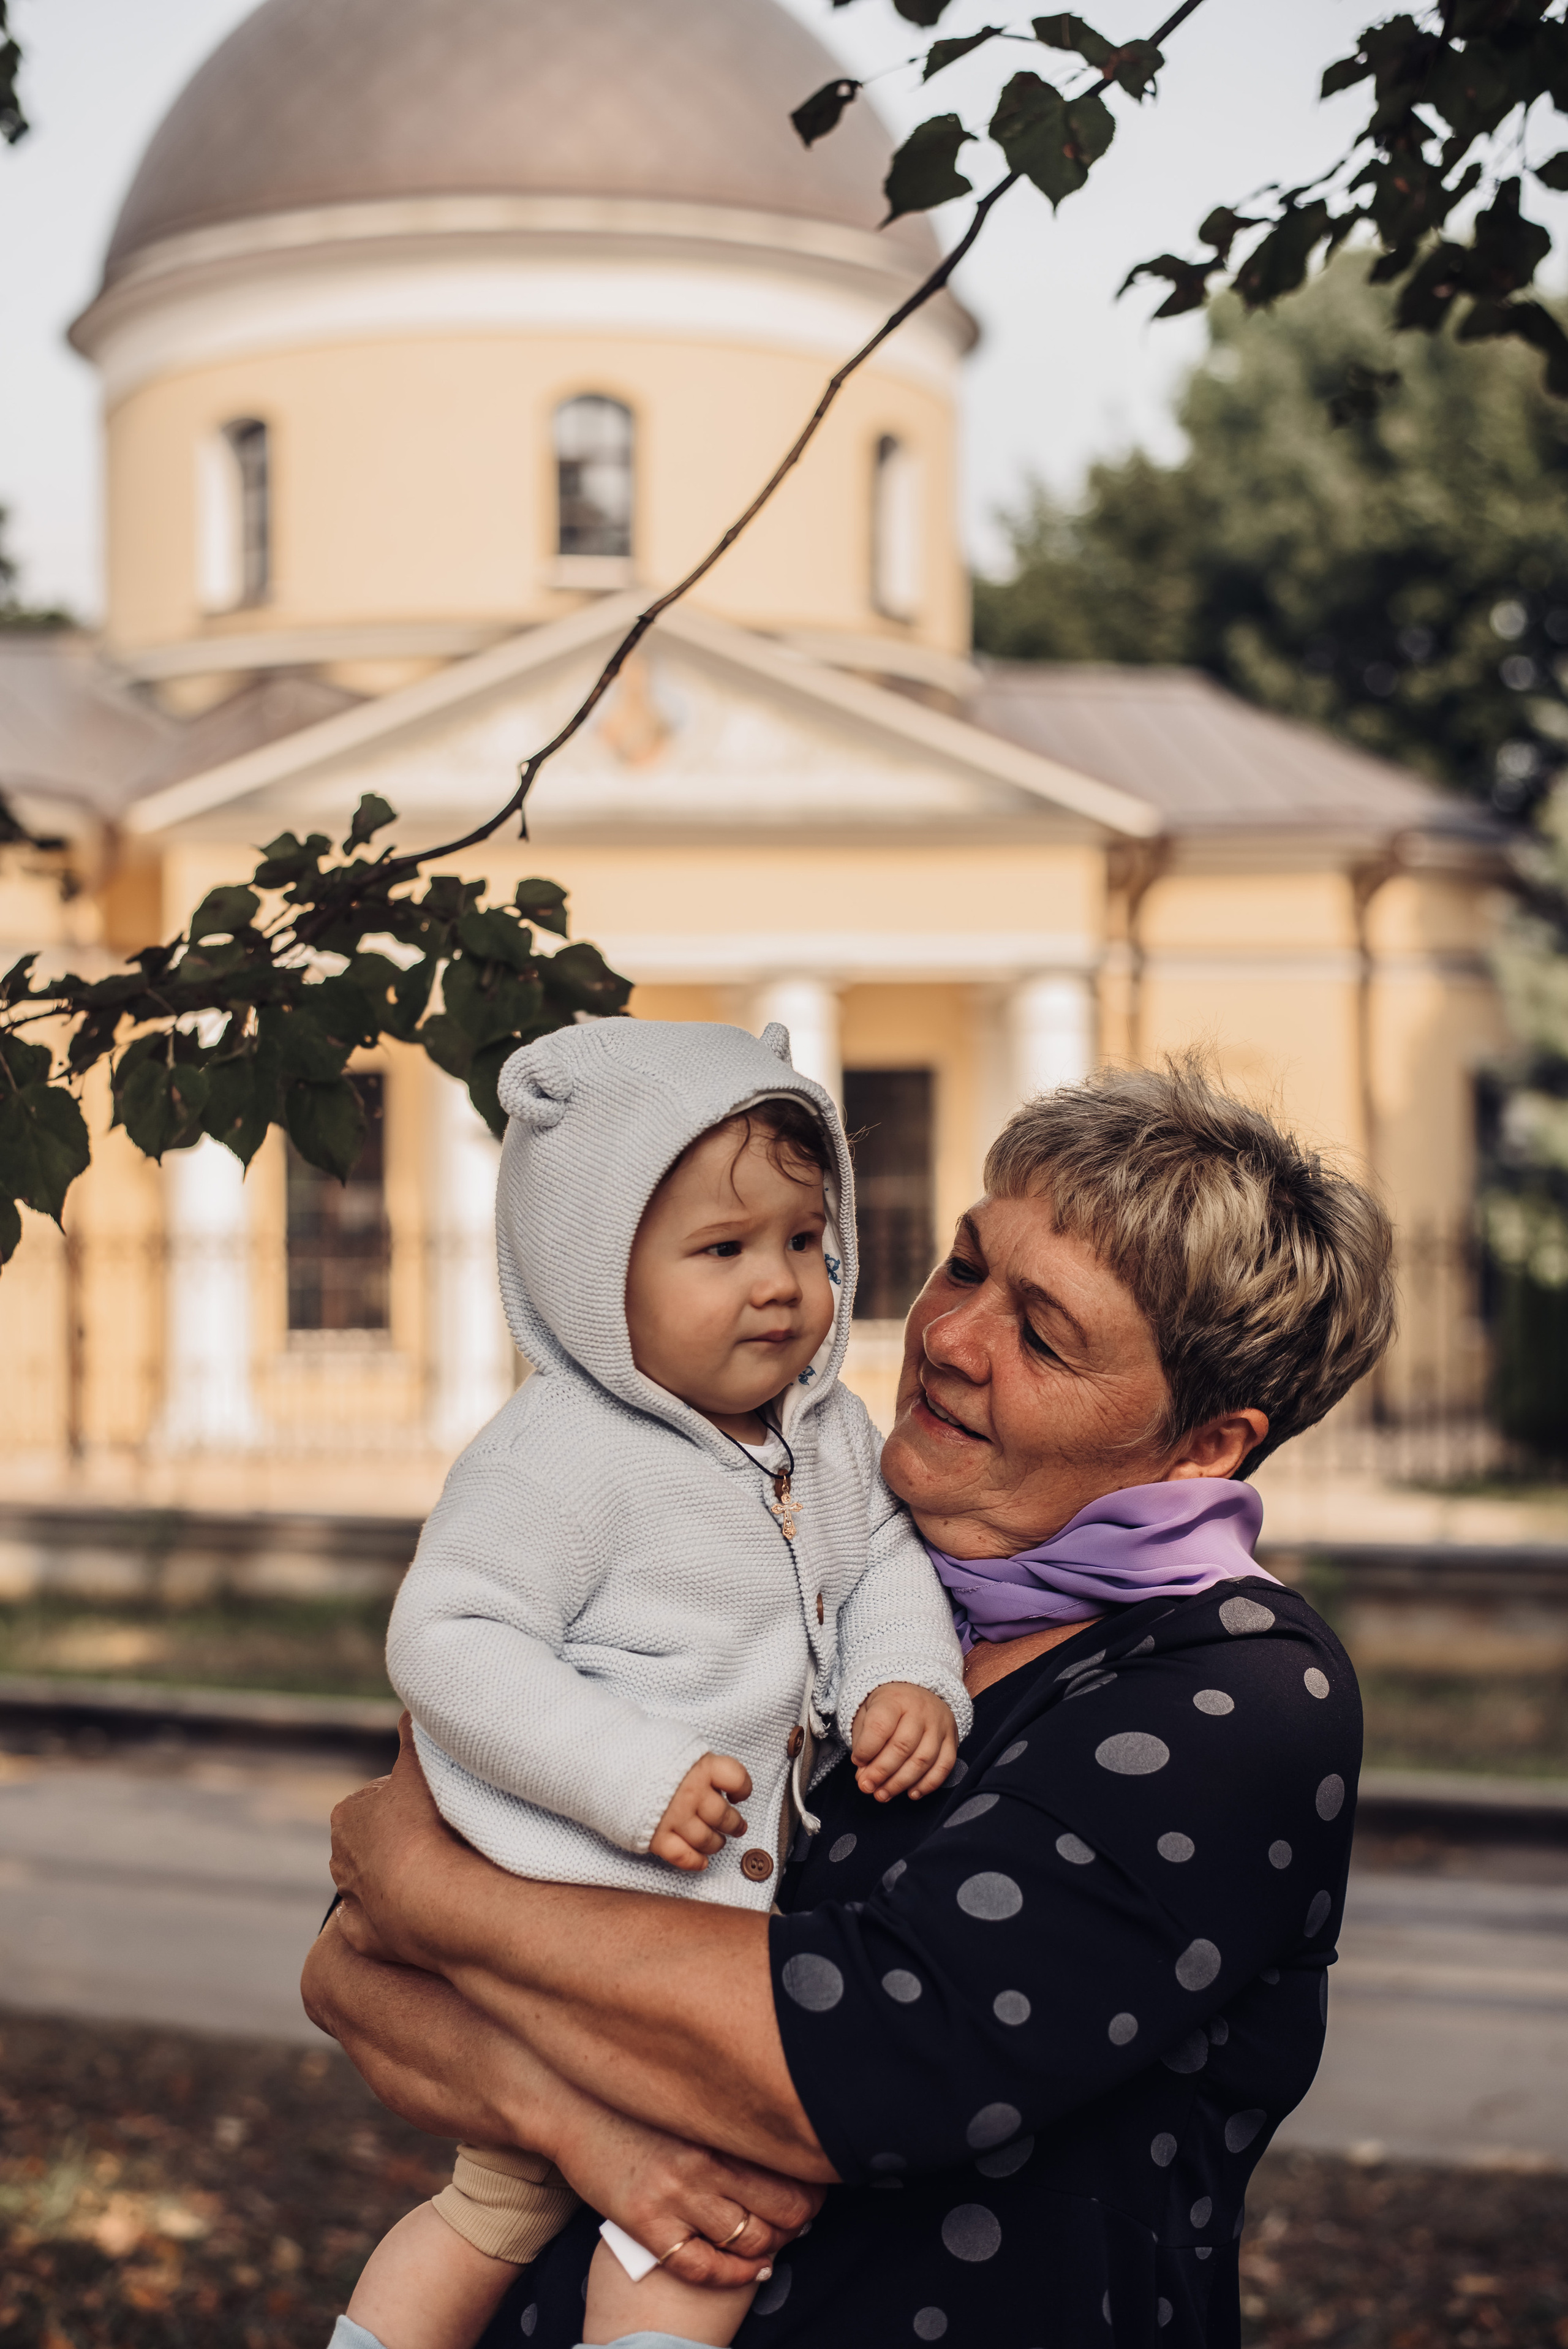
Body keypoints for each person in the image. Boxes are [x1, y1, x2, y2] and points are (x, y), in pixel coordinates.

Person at [305, 1057, 1396, 2349]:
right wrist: (589, 2136)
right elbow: (355, 1976)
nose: (947, 1334)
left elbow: (865, 2059)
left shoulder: (1236, 1692)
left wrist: (442, 1898)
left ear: (1205, 1444)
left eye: (1043, 1333)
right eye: (964, 1263)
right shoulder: (791, 1554)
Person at [334, 1017, 968, 2349]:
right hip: (574, 1917)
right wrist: (632, 1775)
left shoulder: (827, 1433)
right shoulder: (559, 1456)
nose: (779, 1286)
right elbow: (450, 1639)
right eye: (721, 1251)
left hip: (704, 1962)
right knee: (496, 2206)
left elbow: (880, 1569)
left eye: (804, 1240)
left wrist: (906, 1681)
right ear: (590, 1276)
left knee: (686, 2228)